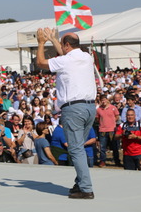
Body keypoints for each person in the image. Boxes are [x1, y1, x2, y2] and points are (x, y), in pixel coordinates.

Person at [37, 28, 96, 199]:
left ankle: (86, 188)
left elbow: (41, 62)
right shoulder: (86, 57)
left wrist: (42, 42)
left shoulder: (65, 61)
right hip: (89, 108)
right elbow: (65, 54)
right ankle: (80, 183)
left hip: (73, 109)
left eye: (63, 45)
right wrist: (55, 39)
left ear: (67, 45)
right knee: (79, 148)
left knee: (76, 149)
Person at [95, 94, 120, 167]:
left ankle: (116, 160)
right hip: (102, 130)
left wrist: (112, 122)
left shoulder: (113, 108)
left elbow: (117, 116)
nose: (103, 101)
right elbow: (97, 118)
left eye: (104, 99)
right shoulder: (99, 109)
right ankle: (103, 161)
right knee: (102, 147)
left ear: (107, 100)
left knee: (114, 146)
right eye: (102, 100)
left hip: (112, 129)